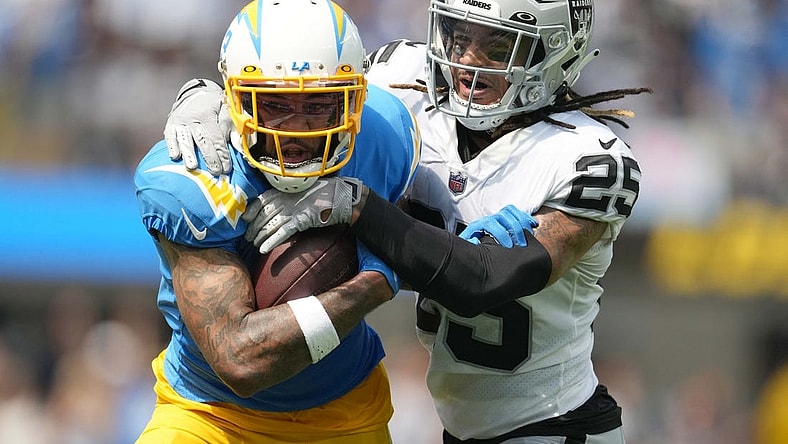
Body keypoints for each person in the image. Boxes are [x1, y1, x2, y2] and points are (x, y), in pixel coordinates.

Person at [165, 1, 652, 442]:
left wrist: (357, 205)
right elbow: (302, 84)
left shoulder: (589, 160)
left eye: (500, 46)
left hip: (555, 423)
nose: (468, 61)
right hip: (461, 427)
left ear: (557, 51)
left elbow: (483, 279)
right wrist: (209, 94)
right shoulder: (400, 78)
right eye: (459, 36)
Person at [132, 0, 423, 442]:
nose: (297, 129)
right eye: (274, 103)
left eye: (318, 104)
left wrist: (375, 220)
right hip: (210, 413)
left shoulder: (383, 135)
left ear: (354, 100)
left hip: (345, 410)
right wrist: (375, 280)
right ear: (233, 99)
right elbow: (241, 363)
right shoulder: (196, 175)